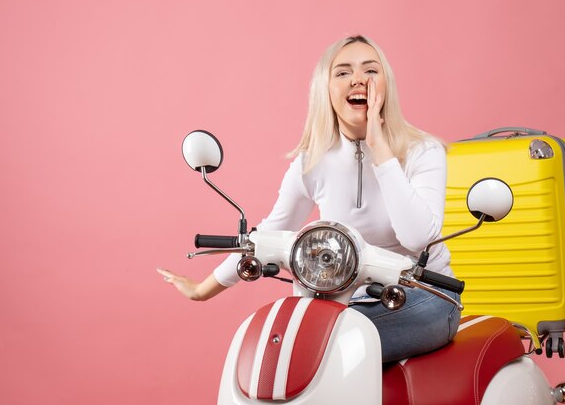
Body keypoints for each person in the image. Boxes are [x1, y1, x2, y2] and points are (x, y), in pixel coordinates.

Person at [157, 35, 460, 362]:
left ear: (386, 85)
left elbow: (417, 238)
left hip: (424, 297)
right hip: (344, 303)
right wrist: (202, 291)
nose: (358, 79)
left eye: (370, 70)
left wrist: (381, 150)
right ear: (325, 90)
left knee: (330, 346)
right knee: (285, 342)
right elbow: (269, 233)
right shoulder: (311, 162)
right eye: (343, 73)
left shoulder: (422, 152)